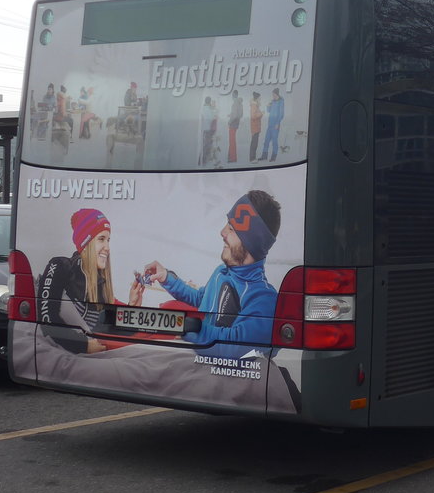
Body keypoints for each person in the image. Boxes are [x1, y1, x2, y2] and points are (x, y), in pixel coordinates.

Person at [132, 190, 280, 358]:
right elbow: (201, 299)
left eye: (231, 228)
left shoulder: (264, 300)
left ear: (251, 242)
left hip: (217, 375)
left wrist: (187, 326)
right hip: (194, 359)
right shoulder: (222, 273)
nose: (222, 232)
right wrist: (167, 278)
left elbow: (233, 347)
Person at [38, 208, 140, 353]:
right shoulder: (60, 266)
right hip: (58, 348)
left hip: (86, 355)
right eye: (101, 239)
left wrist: (132, 308)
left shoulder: (102, 286)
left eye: (108, 240)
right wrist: (81, 345)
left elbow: (111, 333)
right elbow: (46, 318)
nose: (107, 248)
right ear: (85, 243)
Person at [259, 88, 285, 161]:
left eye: (273, 94)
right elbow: (269, 111)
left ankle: (274, 156)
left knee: (274, 141)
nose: (272, 96)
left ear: (277, 94)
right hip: (270, 124)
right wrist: (268, 106)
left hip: (275, 125)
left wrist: (277, 123)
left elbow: (281, 114)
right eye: (272, 94)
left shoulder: (281, 102)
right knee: (266, 140)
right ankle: (264, 156)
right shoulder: (272, 101)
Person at [199, 96, 217, 166]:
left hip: (205, 129)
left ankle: (205, 159)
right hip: (208, 129)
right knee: (207, 144)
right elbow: (211, 118)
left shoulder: (203, 108)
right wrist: (214, 115)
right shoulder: (207, 109)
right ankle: (202, 159)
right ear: (209, 102)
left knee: (207, 143)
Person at [226, 91, 243, 163]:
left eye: (232, 95)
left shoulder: (235, 103)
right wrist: (231, 115)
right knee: (232, 140)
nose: (232, 97)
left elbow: (235, 115)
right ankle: (230, 156)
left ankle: (233, 158)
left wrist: (229, 121)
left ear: (234, 95)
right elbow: (240, 114)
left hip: (233, 124)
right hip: (236, 123)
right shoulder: (240, 103)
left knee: (232, 141)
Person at [248, 92, 263, 162]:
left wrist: (260, 113)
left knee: (255, 143)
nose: (260, 100)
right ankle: (252, 158)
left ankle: (253, 158)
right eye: (259, 99)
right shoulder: (254, 106)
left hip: (256, 127)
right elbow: (253, 116)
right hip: (255, 127)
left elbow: (256, 115)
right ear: (256, 99)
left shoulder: (256, 106)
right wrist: (261, 113)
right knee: (254, 143)